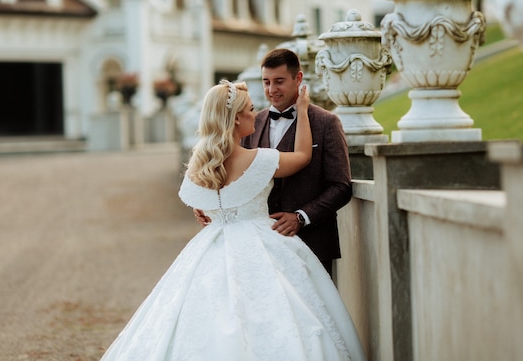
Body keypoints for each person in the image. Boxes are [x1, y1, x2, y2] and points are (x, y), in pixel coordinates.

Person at [99, 80, 366, 361]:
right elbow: (302, 156)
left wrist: (207, 208)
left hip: (209, 245)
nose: (255, 113)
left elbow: (200, 198)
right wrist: (301, 109)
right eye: (250, 109)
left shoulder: (199, 166)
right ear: (237, 118)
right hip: (263, 243)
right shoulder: (259, 160)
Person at [196, 48, 352, 277]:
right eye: (266, 82)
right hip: (259, 246)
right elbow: (232, 176)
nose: (271, 90)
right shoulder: (250, 123)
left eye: (279, 81)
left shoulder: (326, 123)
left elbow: (341, 186)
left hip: (314, 243)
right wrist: (208, 204)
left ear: (298, 78)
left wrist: (301, 217)